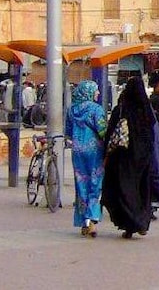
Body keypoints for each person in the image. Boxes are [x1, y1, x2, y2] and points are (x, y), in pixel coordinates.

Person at [102, 77, 155, 238]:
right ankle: (142, 221)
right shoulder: (146, 110)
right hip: (143, 156)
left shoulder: (122, 109)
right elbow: (153, 133)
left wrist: (106, 153)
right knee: (142, 188)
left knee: (124, 188)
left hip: (124, 157)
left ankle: (129, 224)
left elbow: (111, 133)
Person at [65, 81, 107, 238]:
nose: (98, 94)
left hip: (77, 151)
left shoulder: (72, 110)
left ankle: (84, 221)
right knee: (95, 184)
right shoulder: (96, 109)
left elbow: (68, 132)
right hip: (94, 151)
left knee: (81, 184)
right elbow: (102, 131)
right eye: (96, 91)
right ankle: (92, 219)